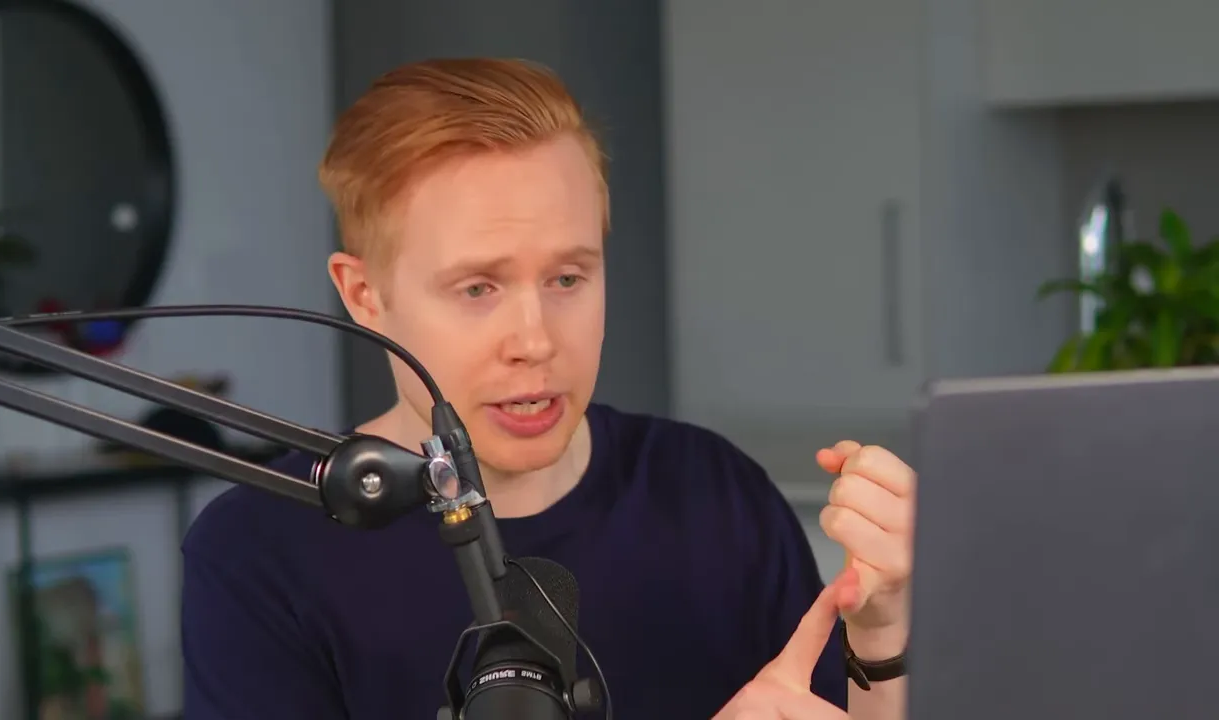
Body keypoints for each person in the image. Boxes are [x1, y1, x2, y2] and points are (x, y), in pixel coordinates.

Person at [180, 57, 915, 719]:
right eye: (477, 288)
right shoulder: (257, 552)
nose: (534, 340)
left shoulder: (715, 493)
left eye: (568, 278)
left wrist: (880, 631)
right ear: (364, 294)